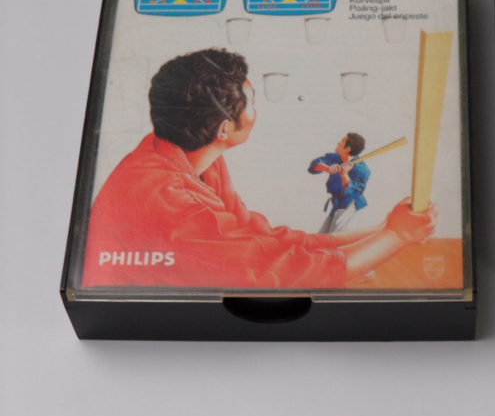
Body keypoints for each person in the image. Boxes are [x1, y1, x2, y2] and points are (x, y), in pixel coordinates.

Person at [82, 48, 435, 290]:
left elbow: (265, 239)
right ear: (223, 128)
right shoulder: (168, 198)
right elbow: (277, 273)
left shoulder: (196, 159)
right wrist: (397, 237)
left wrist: (384, 228)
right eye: (251, 103)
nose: (256, 110)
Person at [309, 133, 370, 234]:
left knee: (335, 237)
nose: (338, 143)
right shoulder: (336, 157)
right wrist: (327, 168)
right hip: (337, 203)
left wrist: (344, 175)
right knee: (322, 235)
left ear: (347, 149)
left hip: (350, 205)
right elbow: (315, 164)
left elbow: (353, 192)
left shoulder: (361, 169)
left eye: (342, 142)